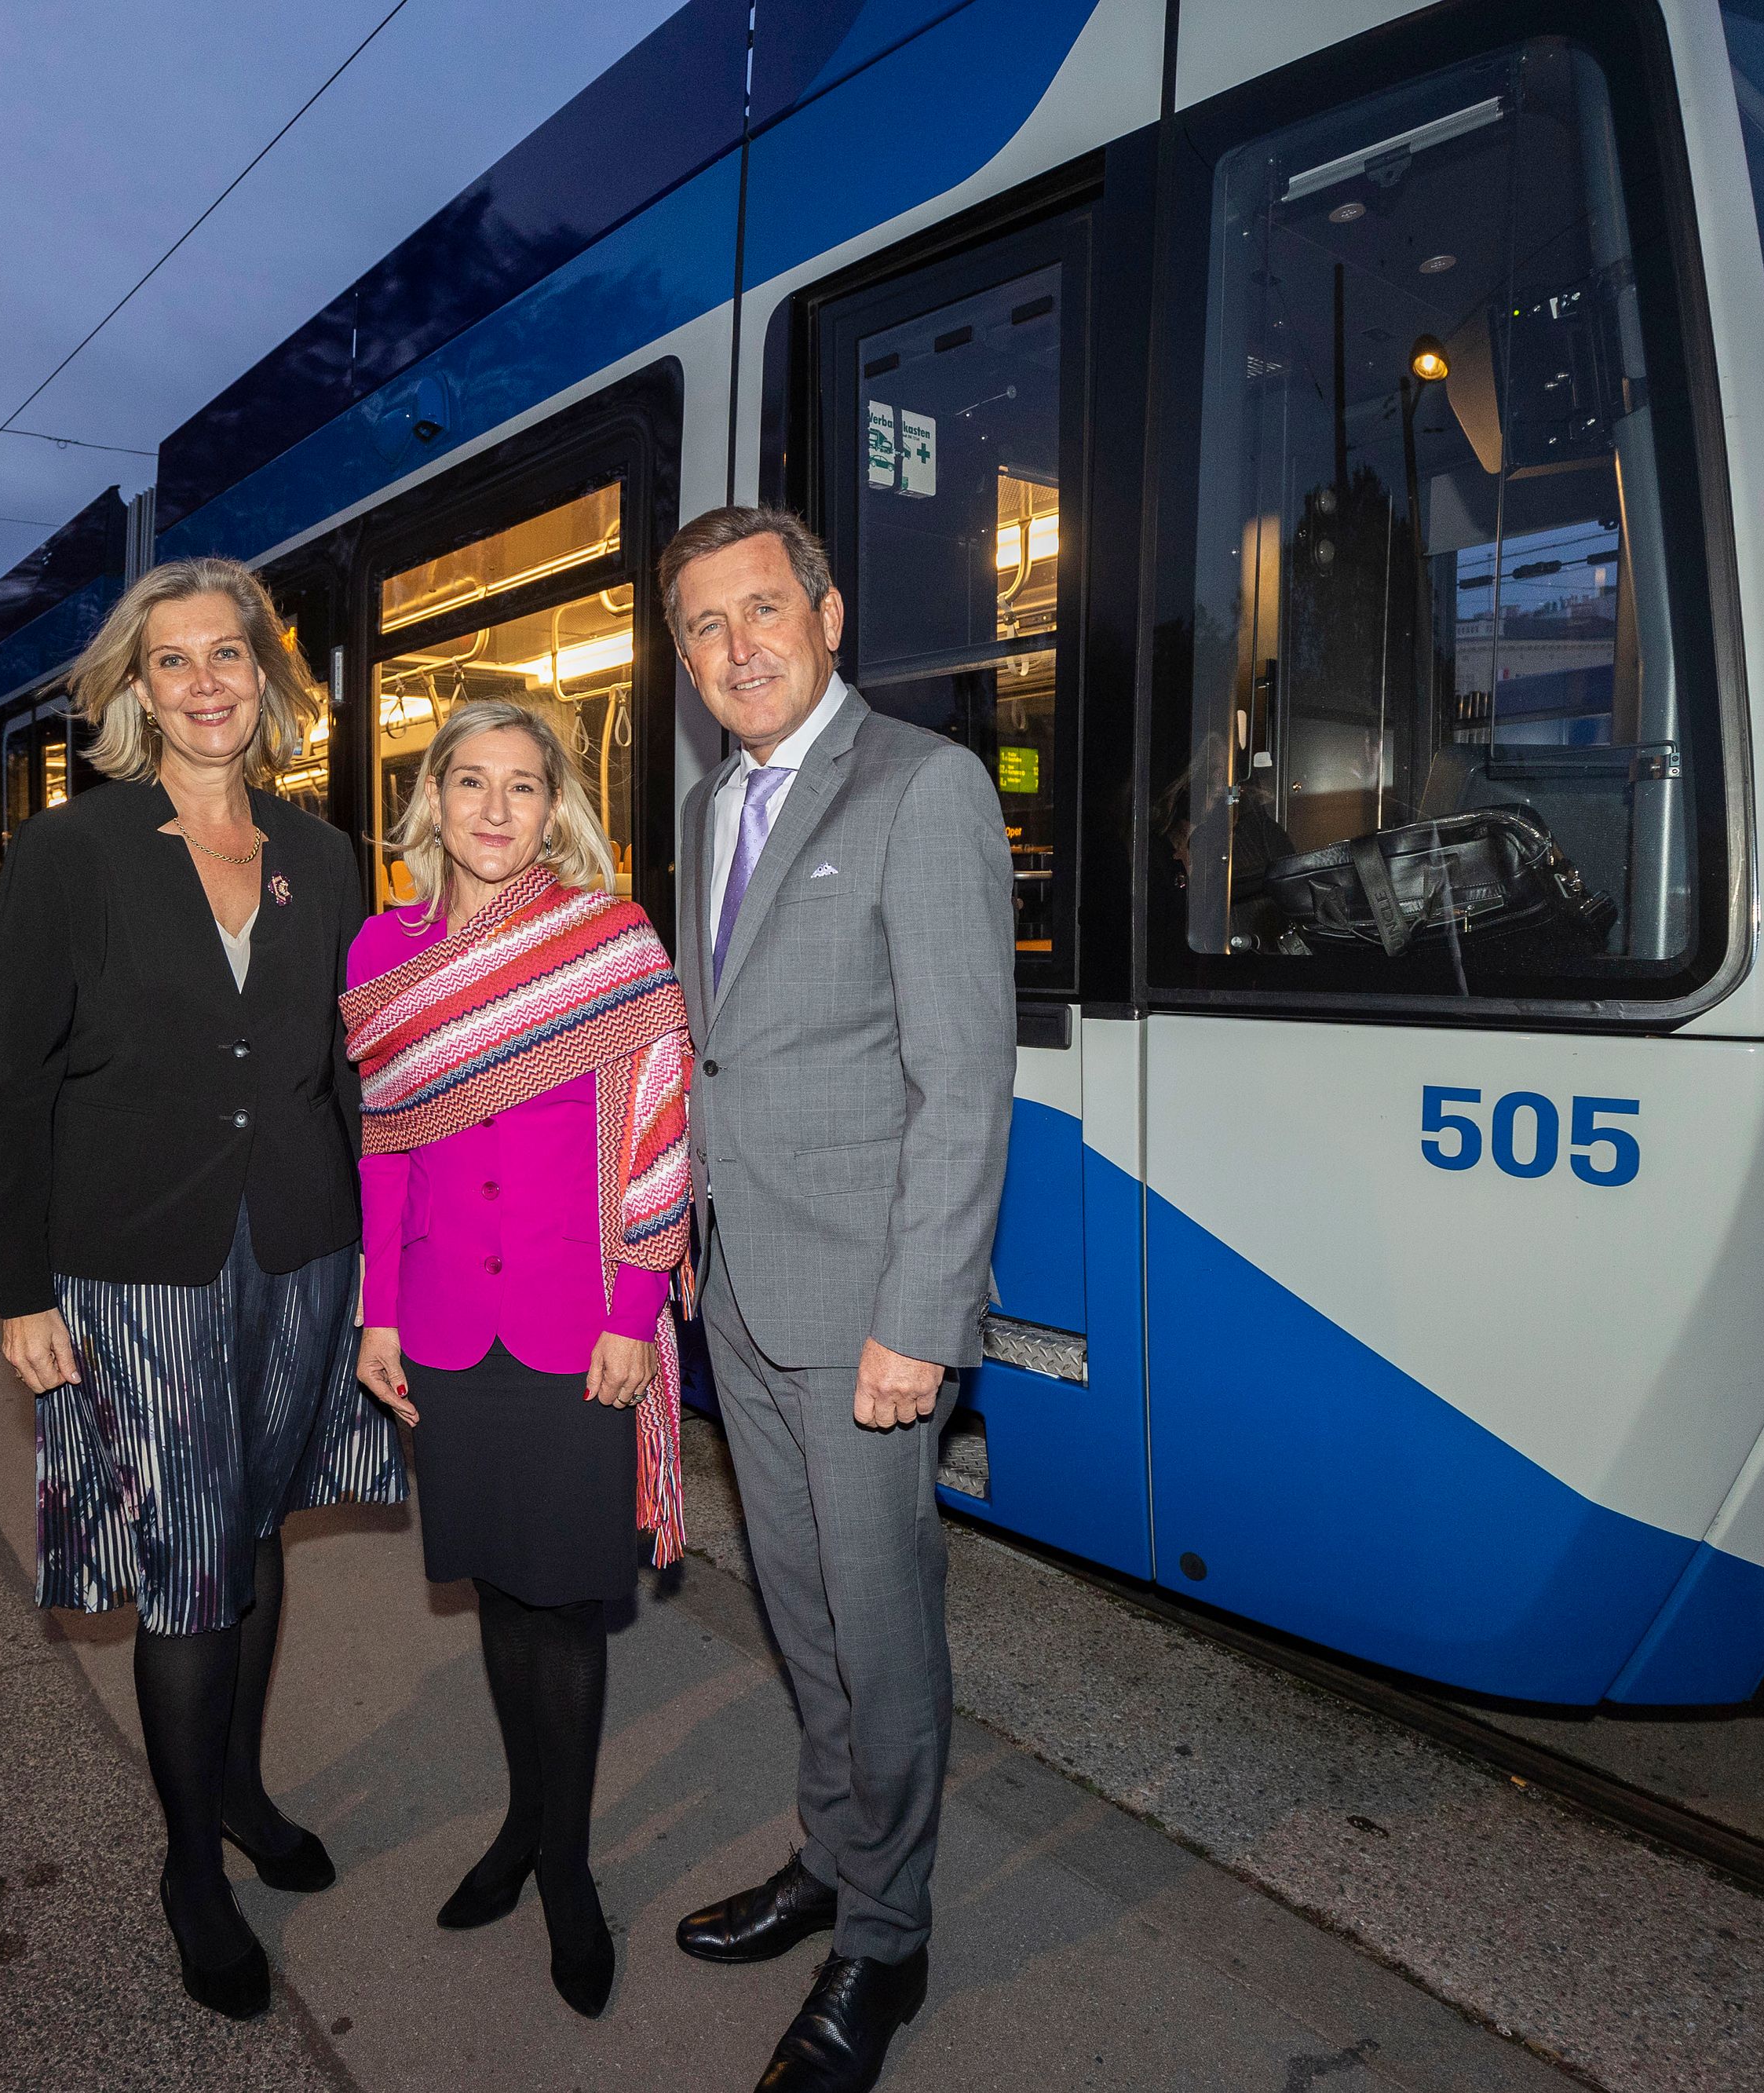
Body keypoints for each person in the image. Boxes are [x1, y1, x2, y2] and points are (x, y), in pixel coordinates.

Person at [0, 557, 405, 2022]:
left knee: (259, 1524)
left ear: (270, 681)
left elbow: (350, 1071)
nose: (208, 682)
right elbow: (11, 1084)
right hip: (131, 1257)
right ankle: (189, 1872)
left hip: (298, 1245)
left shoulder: (323, 849)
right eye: (175, 662)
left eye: (233, 655)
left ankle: (239, 1790)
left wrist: (391, 1271)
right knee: (189, 1555)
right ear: (133, 691)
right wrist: (20, 1288)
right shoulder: (72, 850)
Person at [662, 507, 1013, 2093]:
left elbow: (962, 1080)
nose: (733, 649)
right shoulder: (700, 808)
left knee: (879, 1631)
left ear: (824, 611)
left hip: (868, 1303)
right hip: (742, 1282)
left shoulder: (920, 788)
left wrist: (919, 1317)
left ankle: (884, 1936)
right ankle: (832, 1851)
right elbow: (721, 1051)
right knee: (801, 1616)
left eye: (758, 611)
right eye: (699, 630)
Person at [340, 697, 692, 2022]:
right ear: (430, 801)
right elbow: (383, 1146)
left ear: (560, 808)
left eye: (525, 787)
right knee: (497, 1593)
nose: (496, 810)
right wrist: (378, 1312)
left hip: (572, 1327)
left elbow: (662, 1129)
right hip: (442, 1327)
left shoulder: (608, 940)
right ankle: (523, 1826)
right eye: (470, 783)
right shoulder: (385, 948)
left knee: (564, 1605)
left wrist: (632, 1311)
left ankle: (565, 1868)